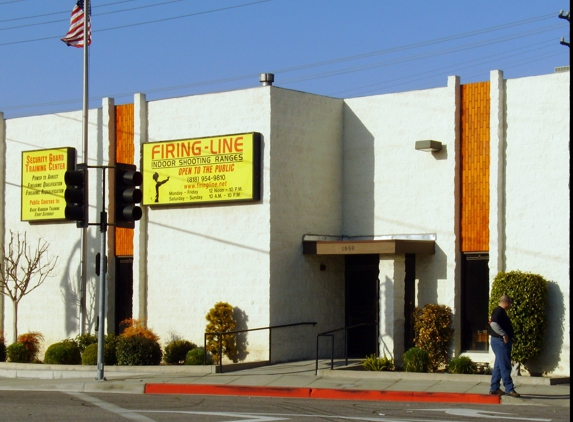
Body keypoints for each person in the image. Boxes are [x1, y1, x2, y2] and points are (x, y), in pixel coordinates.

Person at [487, 294, 520, 397]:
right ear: (506, 302)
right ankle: (509, 388)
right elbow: (493, 324)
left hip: (498, 341)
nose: (510, 305)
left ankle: (494, 388)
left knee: (498, 365)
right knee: (505, 366)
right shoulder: (499, 312)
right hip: (500, 342)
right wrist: (504, 334)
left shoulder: (499, 312)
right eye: (510, 303)